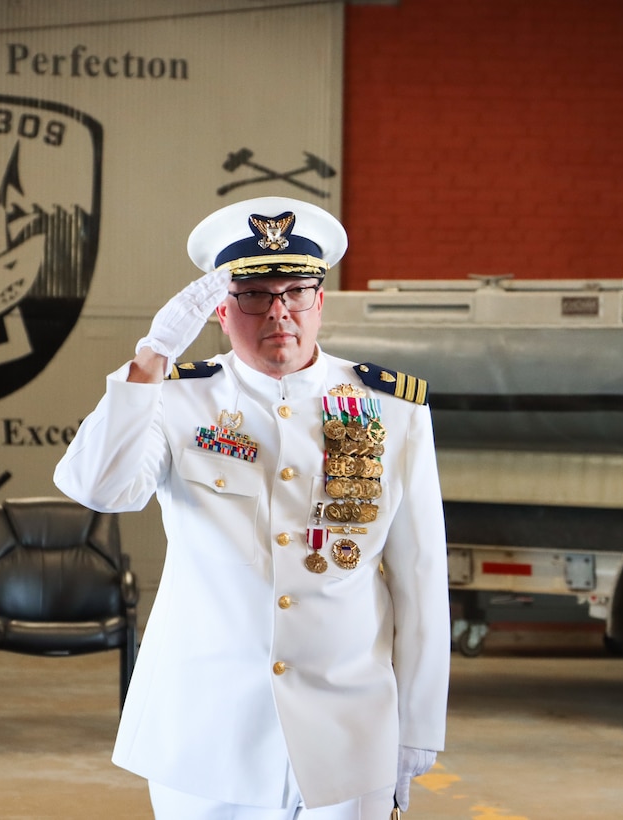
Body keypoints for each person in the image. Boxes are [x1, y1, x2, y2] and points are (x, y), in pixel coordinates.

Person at [54, 196, 450, 819]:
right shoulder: (175, 398)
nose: (279, 312)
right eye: (254, 294)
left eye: (296, 291)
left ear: (321, 301)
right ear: (219, 308)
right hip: (205, 733)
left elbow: (421, 579)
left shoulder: (393, 408)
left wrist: (419, 728)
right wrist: (150, 360)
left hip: (350, 729)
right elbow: (98, 489)